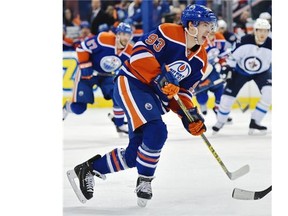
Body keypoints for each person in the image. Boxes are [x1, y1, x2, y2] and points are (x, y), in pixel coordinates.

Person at [67, 4, 216, 207]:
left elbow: (182, 92)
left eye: (210, 25)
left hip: (153, 97)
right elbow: (138, 53)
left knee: (134, 153)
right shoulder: (168, 32)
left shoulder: (201, 59)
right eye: (206, 25)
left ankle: (89, 168)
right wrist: (159, 77)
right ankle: (145, 180)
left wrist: (189, 115)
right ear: (191, 25)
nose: (210, 29)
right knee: (157, 131)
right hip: (132, 83)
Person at [62, 22, 134, 135]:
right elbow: (81, 48)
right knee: (78, 109)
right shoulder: (103, 39)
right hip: (88, 74)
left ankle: (120, 124)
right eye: (123, 34)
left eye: (128, 35)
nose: (126, 37)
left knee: (119, 95)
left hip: (107, 75)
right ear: (117, 34)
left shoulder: (130, 52)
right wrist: (85, 64)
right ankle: (67, 107)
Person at [212, 18, 272, 135]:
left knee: (269, 93)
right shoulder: (244, 41)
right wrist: (228, 68)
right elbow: (232, 57)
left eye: (265, 31)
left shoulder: (272, 44)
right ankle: (220, 121)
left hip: (262, 73)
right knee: (226, 99)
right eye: (260, 30)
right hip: (240, 72)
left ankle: (255, 121)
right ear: (255, 31)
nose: (262, 34)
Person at [193, 30, 232, 123]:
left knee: (219, 88)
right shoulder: (199, 39)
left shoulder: (220, 38)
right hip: (199, 70)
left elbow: (223, 54)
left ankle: (218, 109)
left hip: (211, 69)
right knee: (202, 96)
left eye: (213, 29)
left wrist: (224, 65)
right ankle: (202, 104)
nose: (211, 32)